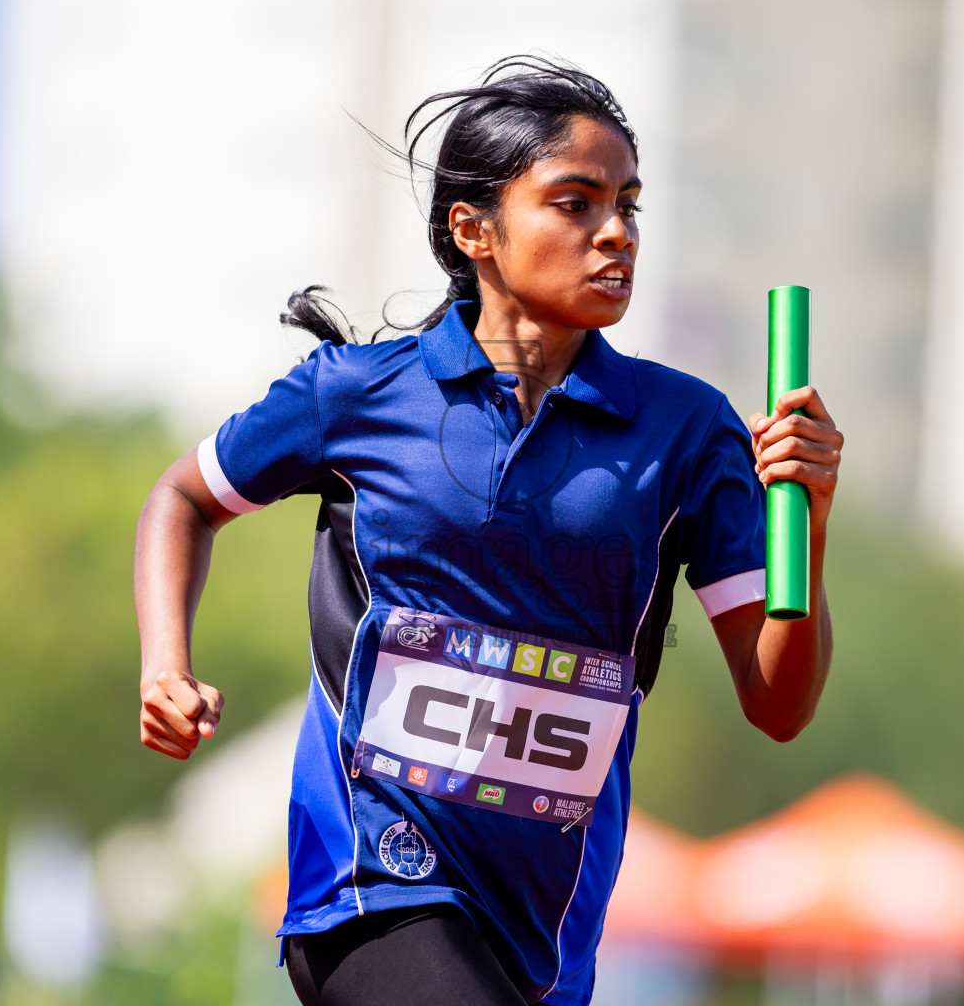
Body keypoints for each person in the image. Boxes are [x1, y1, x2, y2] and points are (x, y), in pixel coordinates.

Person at [133, 56, 843, 1006]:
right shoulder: (356, 393)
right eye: (576, 202)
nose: (616, 234)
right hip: (369, 888)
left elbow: (779, 705)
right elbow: (183, 499)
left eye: (630, 205)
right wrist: (164, 664)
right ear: (475, 229)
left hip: (546, 933)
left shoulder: (686, 431)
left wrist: (814, 523)